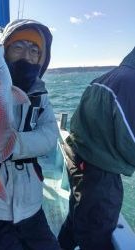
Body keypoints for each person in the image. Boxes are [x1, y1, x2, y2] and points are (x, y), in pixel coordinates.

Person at [0, 19, 60, 250]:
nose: (27, 54)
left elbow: (49, 134)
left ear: (42, 58)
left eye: (34, 49)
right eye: (18, 46)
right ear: (5, 50)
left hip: (32, 206)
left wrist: (12, 144)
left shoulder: (40, 94)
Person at [58, 47, 135, 250]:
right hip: (98, 172)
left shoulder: (106, 77)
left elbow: (77, 120)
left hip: (79, 159)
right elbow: (130, 138)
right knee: (97, 233)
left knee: (77, 219)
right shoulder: (130, 83)